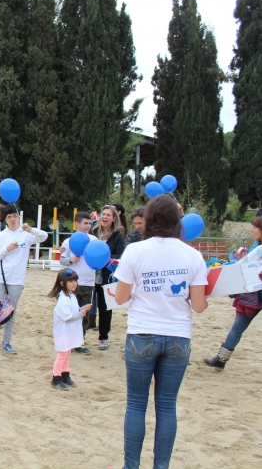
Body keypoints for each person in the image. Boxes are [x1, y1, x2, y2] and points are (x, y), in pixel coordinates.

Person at [113, 194, 208, 469]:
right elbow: (199, 306)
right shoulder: (193, 255)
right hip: (178, 335)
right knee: (167, 407)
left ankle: (131, 466)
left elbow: (120, 298)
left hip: (142, 332)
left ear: (151, 219)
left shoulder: (135, 250)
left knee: (136, 405)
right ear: (178, 220)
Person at [0, 204, 47, 355]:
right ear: (5, 219)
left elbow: (44, 236)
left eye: (14, 217)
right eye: (9, 217)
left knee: (11, 311)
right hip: (0, 277)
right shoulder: (2, 235)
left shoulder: (26, 234)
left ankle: (6, 343)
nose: (12, 220)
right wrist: (6, 249)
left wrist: (30, 229)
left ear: (19, 218)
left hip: (17, 279)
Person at [202, 215, 262, 370]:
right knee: (238, 327)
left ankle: (221, 360)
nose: (252, 229)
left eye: (255, 227)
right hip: (253, 294)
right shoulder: (257, 246)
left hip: (254, 294)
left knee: (238, 327)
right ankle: (221, 359)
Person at [59, 211, 98, 354]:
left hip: (89, 282)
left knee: (84, 313)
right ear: (77, 224)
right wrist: (71, 259)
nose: (88, 226)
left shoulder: (94, 240)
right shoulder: (68, 241)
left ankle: (80, 341)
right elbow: (62, 260)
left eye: (90, 223)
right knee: (71, 312)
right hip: (72, 283)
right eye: (85, 223)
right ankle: (68, 340)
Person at [48, 268, 92, 390]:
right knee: (62, 354)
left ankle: (65, 375)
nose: (74, 283)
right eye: (70, 281)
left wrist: (83, 308)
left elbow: (73, 311)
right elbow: (67, 317)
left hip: (70, 331)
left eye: (75, 281)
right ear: (63, 283)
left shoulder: (71, 296)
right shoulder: (63, 299)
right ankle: (56, 378)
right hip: (63, 332)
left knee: (67, 353)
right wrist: (81, 314)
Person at [90, 205, 126, 350]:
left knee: (105, 308)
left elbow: (119, 254)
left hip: (107, 275)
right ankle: (80, 336)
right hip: (90, 275)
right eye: (103, 214)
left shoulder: (118, 235)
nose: (104, 217)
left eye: (108, 215)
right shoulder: (93, 231)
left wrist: (105, 259)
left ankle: (103, 337)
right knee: (86, 304)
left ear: (113, 218)